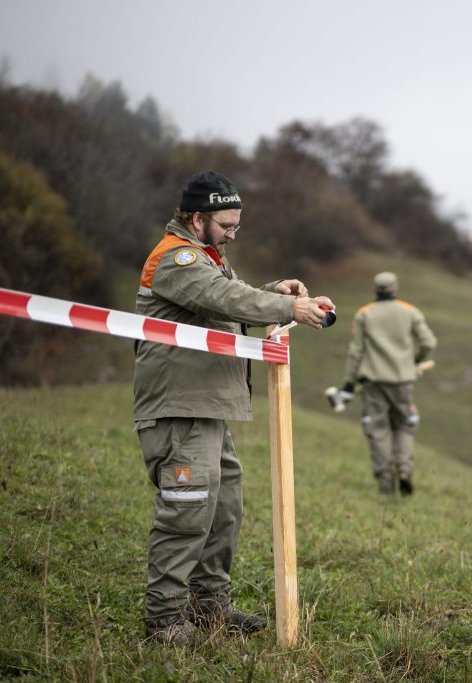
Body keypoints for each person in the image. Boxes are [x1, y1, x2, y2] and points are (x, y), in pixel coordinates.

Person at [133, 171, 333, 645]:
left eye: (237, 226)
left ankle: (209, 608)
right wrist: (287, 311)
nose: (232, 234)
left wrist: (275, 291)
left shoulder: (206, 258)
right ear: (197, 218)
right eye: (226, 225)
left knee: (223, 510)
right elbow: (221, 296)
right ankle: (164, 622)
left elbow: (228, 301)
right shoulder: (177, 259)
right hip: (179, 407)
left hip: (208, 408)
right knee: (186, 512)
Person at [340, 271, 437, 495]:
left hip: (373, 382)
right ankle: (404, 470)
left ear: (375, 290)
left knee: (378, 429)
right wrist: (414, 361)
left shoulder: (364, 314)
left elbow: (356, 351)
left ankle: (385, 483)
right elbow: (428, 342)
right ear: (395, 289)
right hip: (403, 380)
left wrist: (348, 382)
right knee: (404, 426)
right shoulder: (410, 311)